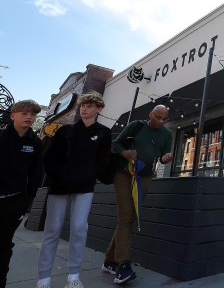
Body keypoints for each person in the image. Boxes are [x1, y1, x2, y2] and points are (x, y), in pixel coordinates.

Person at [36, 92, 112, 288]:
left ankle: (73, 277)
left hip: (84, 187)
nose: (84, 108)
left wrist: (92, 175)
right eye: (82, 105)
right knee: (52, 230)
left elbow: (104, 160)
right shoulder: (65, 131)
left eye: (89, 105)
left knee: (79, 229)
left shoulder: (103, 132)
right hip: (59, 186)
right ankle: (43, 278)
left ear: (99, 109)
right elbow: (50, 158)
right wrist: (57, 176)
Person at [102, 104, 173, 284]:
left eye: (165, 119)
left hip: (145, 177)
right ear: (150, 114)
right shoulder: (136, 125)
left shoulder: (167, 134)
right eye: (158, 117)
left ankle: (109, 261)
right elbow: (115, 144)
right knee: (126, 216)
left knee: (130, 217)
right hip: (124, 175)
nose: (161, 121)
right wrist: (125, 153)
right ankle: (123, 265)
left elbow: (165, 154)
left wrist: (166, 157)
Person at [0, 100, 43, 288]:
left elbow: (36, 174)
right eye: (25, 113)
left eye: (33, 114)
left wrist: (26, 200)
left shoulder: (35, 143)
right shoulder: (1, 136)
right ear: (13, 116)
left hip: (15, 202)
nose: (29, 117)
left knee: (3, 245)